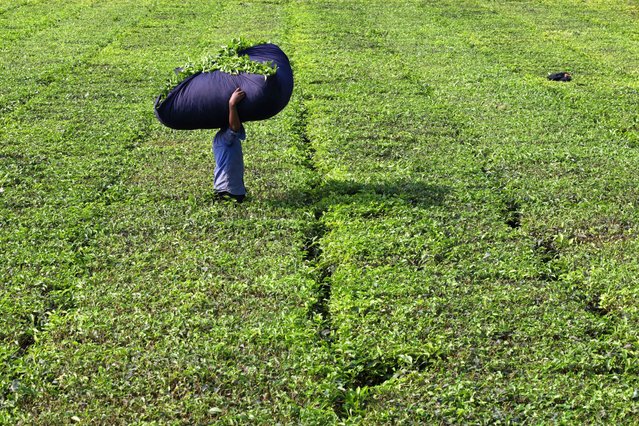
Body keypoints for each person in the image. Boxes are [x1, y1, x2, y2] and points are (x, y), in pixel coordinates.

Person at [213, 87, 247, 203]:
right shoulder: (224, 137)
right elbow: (234, 128)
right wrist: (232, 104)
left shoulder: (226, 136)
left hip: (235, 189)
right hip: (227, 190)